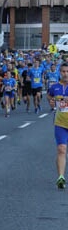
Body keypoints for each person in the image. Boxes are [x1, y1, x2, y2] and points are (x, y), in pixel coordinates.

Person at [46, 62, 68, 190]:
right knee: (61, 149)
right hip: (60, 123)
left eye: (67, 71)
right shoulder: (55, 87)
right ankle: (60, 177)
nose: (66, 74)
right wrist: (51, 101)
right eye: (63, 71)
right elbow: (49, 96)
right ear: (60, 73)